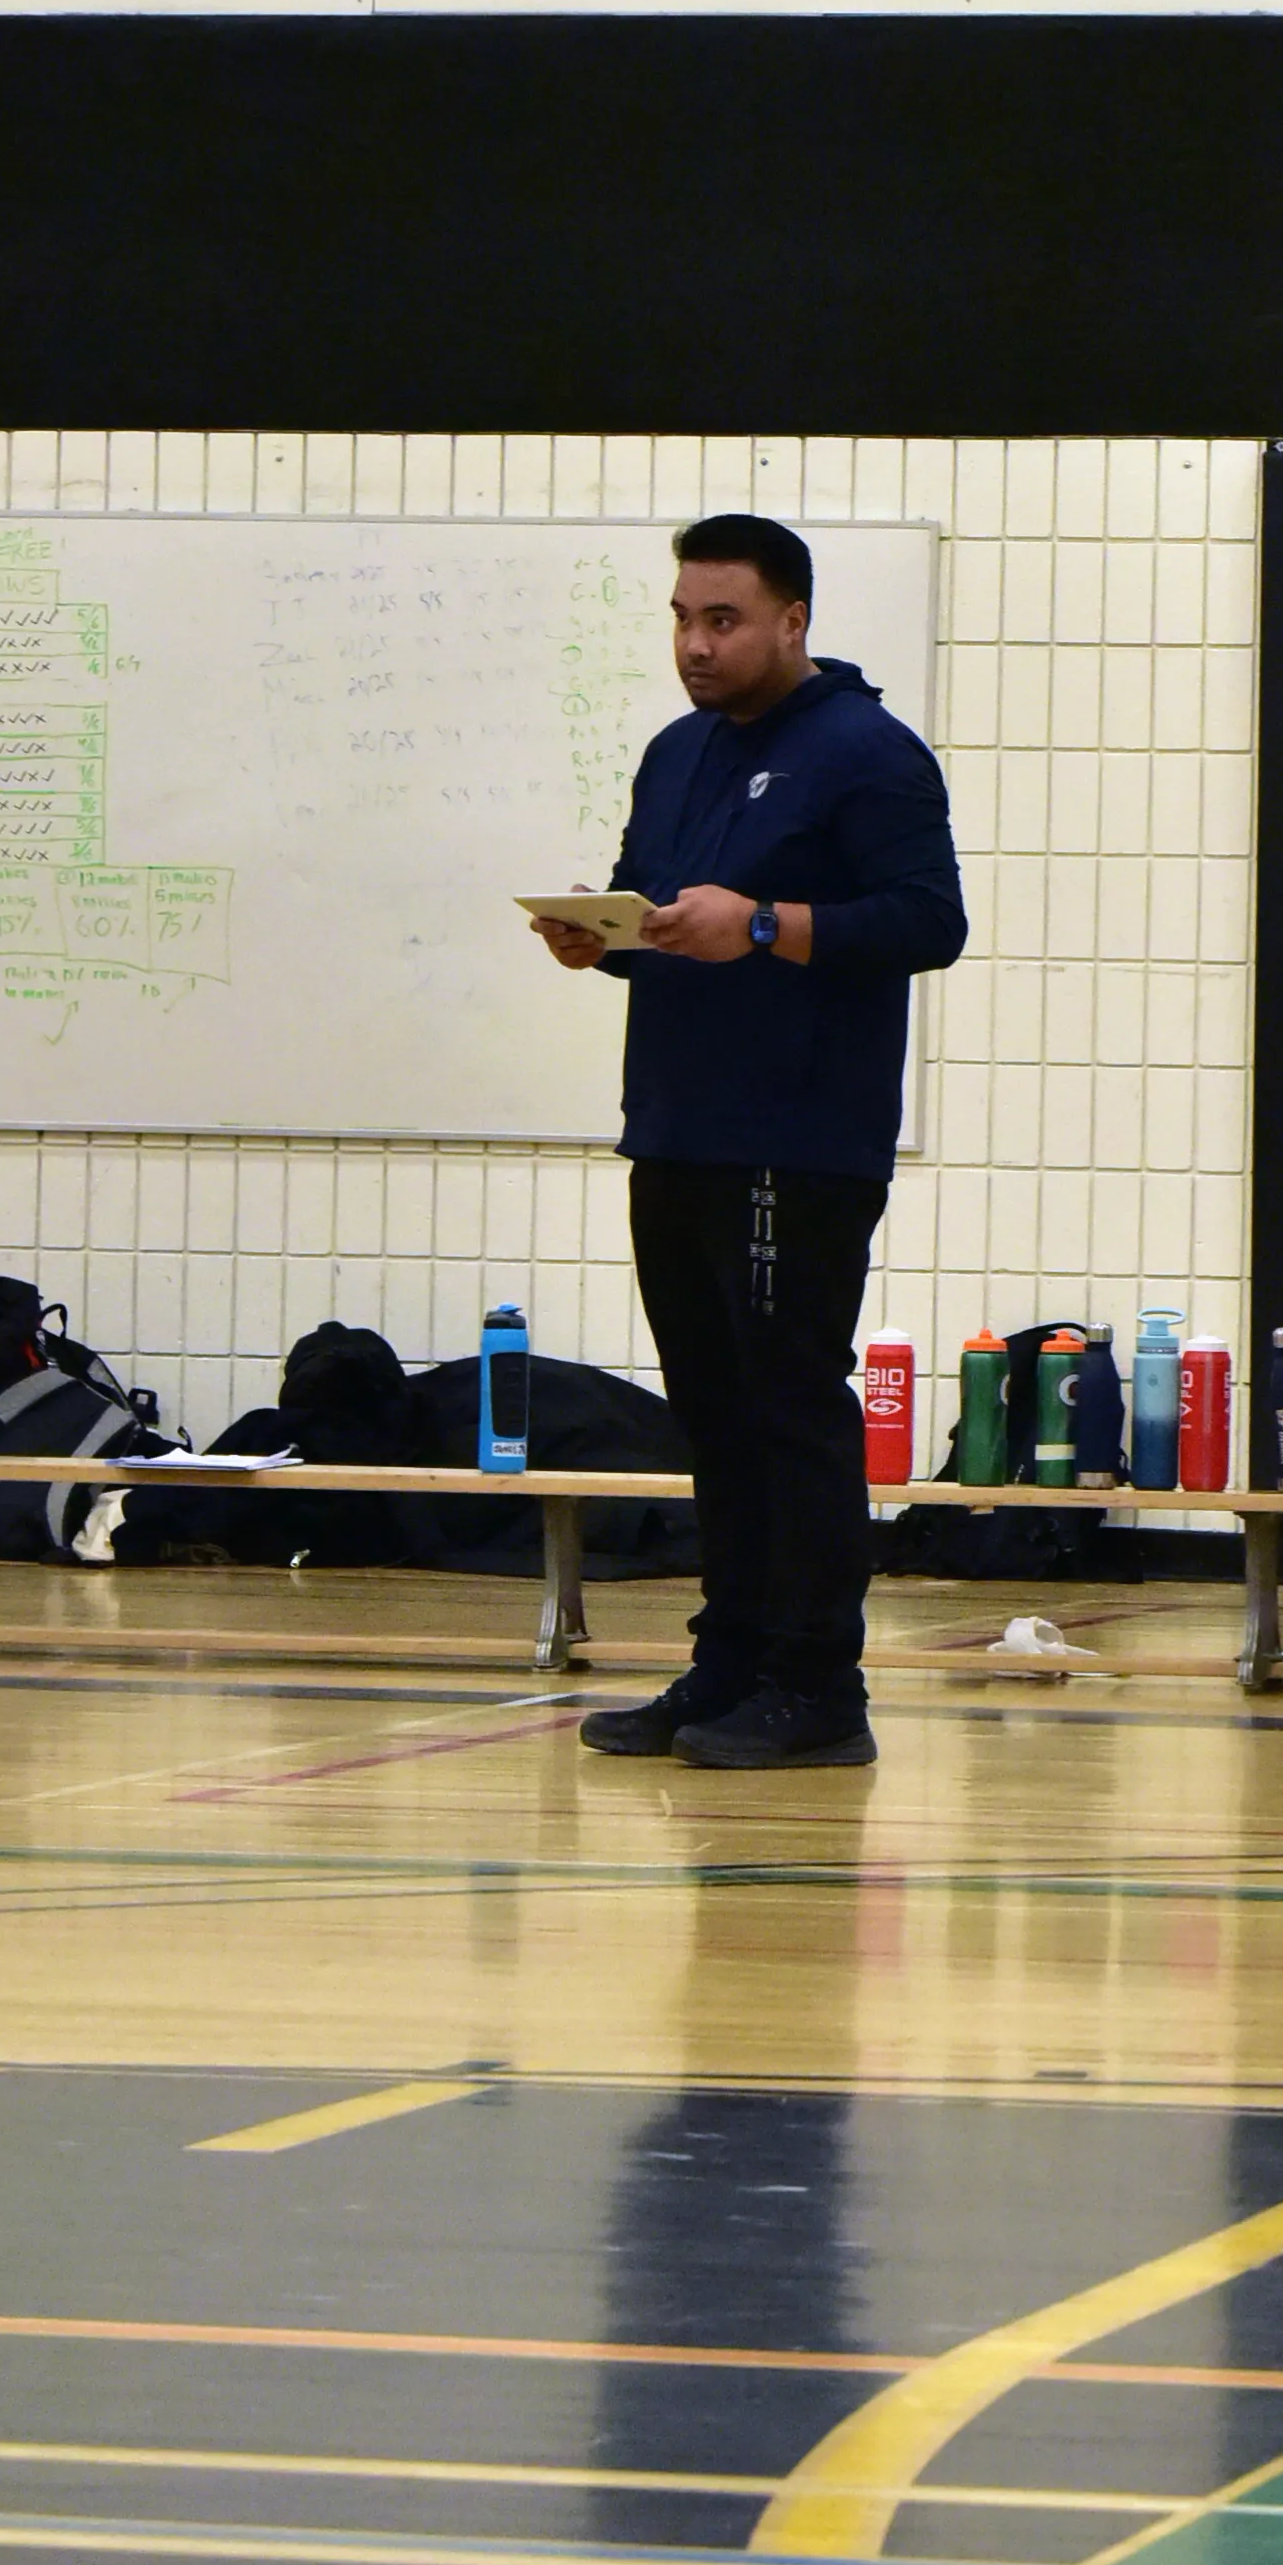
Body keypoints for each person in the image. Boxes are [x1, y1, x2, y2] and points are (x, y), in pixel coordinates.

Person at [544, 516, 966, 1774]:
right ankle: (728, 1662)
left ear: (793, 620)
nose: (696, 644)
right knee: (713, 1413)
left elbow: (928, 922)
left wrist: (770, 926)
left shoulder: (869, 753)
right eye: (682, 618)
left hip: (799, 1135)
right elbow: (657, 911)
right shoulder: (676, 754)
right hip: (676, 1124)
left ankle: (818, 1685)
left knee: (789, 1408)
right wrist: (600, 937)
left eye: (722, 620)